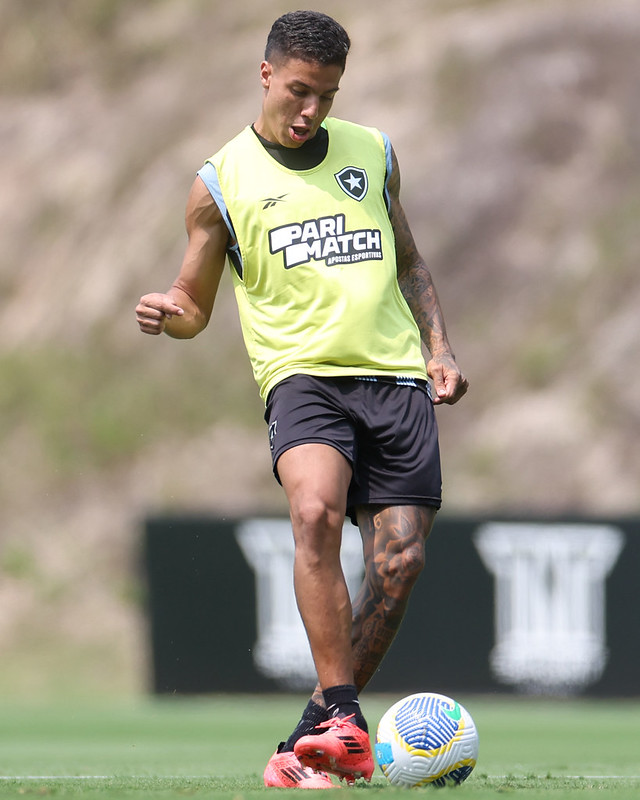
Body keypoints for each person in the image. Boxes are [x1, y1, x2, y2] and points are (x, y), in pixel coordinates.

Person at [136, 9, 468, 789]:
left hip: (394, 377)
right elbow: (195, 300)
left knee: (402, 561)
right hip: (301, 377)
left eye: (326, 94)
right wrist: (170, 312)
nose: (311, 110)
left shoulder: (373, 153)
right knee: (315, 511)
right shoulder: (220, 183)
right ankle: (349, 717)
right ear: (265, 76)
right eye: (297, 92)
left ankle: (315, 729)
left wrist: (440, 349)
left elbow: (410, 263)